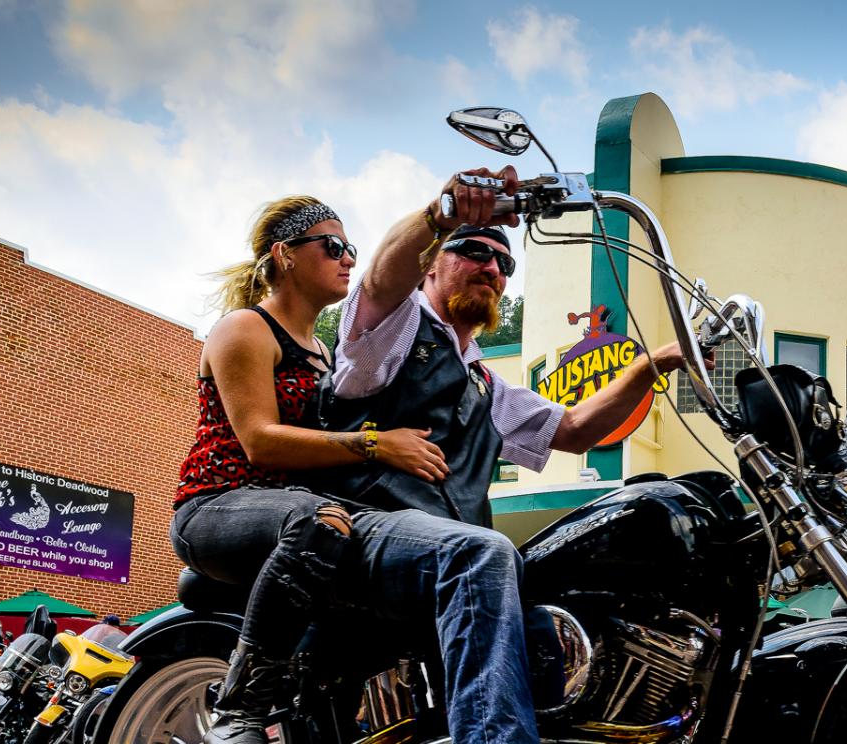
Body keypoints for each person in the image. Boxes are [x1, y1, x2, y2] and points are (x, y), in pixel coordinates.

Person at [316, 166, 700, 743]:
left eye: (504, 263)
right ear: (430, 263)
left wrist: (651, 366)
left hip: (447, 551)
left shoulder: (487, 385)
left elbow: (572, 429)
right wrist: (442, 213)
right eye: (472, 251)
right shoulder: (395, 333)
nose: (491, 268)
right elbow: (376, 283)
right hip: (369, 537)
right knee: (485, 554)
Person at [173, 195, 443, 744]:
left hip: (298, 522)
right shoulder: (245, 329)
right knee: (322, 520)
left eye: (352, 249)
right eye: (333, 246)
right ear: (286, 255)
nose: (348, 259)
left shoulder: (325, 352)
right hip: (217, 507)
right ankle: (238, 709)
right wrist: (376, 445)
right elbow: (261, 443)